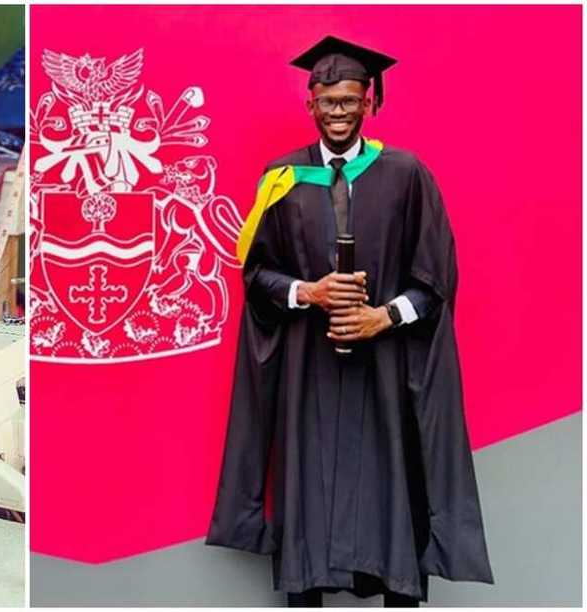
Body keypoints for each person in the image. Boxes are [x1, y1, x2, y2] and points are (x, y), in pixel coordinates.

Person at [206, 36, 493, 607]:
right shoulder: (281, 179)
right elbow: (255, 273)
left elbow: (436, 280)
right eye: (327, 101)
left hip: (385, 374)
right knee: (306, 498)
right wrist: (307, 292)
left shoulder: (406, 174)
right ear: (309, 105)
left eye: (349, 100)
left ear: (370, 102)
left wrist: (380, 318)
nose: (338, 112)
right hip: (308, 376)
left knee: (392, 499)